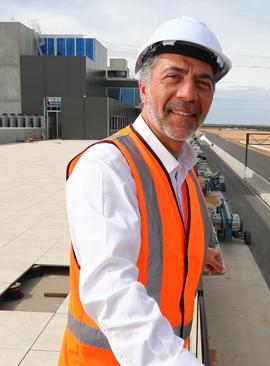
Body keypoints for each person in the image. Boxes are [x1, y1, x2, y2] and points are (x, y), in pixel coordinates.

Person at [59, 16, 231, 365]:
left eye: (203, 83)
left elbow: (161, 245)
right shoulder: (108, 166)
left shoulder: (182, 170)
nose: (188, 94)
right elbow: (111, 287)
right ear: (143, 88)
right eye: (174, 76)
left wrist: (196, 258)